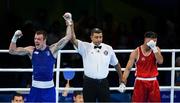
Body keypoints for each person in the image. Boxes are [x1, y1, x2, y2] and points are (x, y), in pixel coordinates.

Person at [8, 14, 72, 102]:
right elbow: (12, 51)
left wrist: (69, 22)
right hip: (35, 89)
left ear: (44, 40)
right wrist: (15, 37)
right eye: (35, 39)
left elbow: (68, 37)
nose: (36, 41)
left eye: (39, 39)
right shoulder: (31, 50)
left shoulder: (52, 49)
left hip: (49, 90)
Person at [63, 12, 123, 102]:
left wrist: (121, 78)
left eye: (100, 37)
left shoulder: (108, 48)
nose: (99, 39)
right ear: (91, 37)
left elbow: (116, 64)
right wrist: (71, 23)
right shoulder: (85, 47)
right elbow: (73, 39)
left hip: (103, 83)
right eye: (96, 37)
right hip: (89, 83)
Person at [121, 31, 164, 102]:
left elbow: (160, 61)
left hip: (153, 81)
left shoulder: (156, 50)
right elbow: (128, 68)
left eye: (155, 42)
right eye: (152, 41)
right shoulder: (136, 52)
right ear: (145, 40)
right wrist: (123, 81)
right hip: (140, 82)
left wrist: (155, 49)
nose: (153, 43)